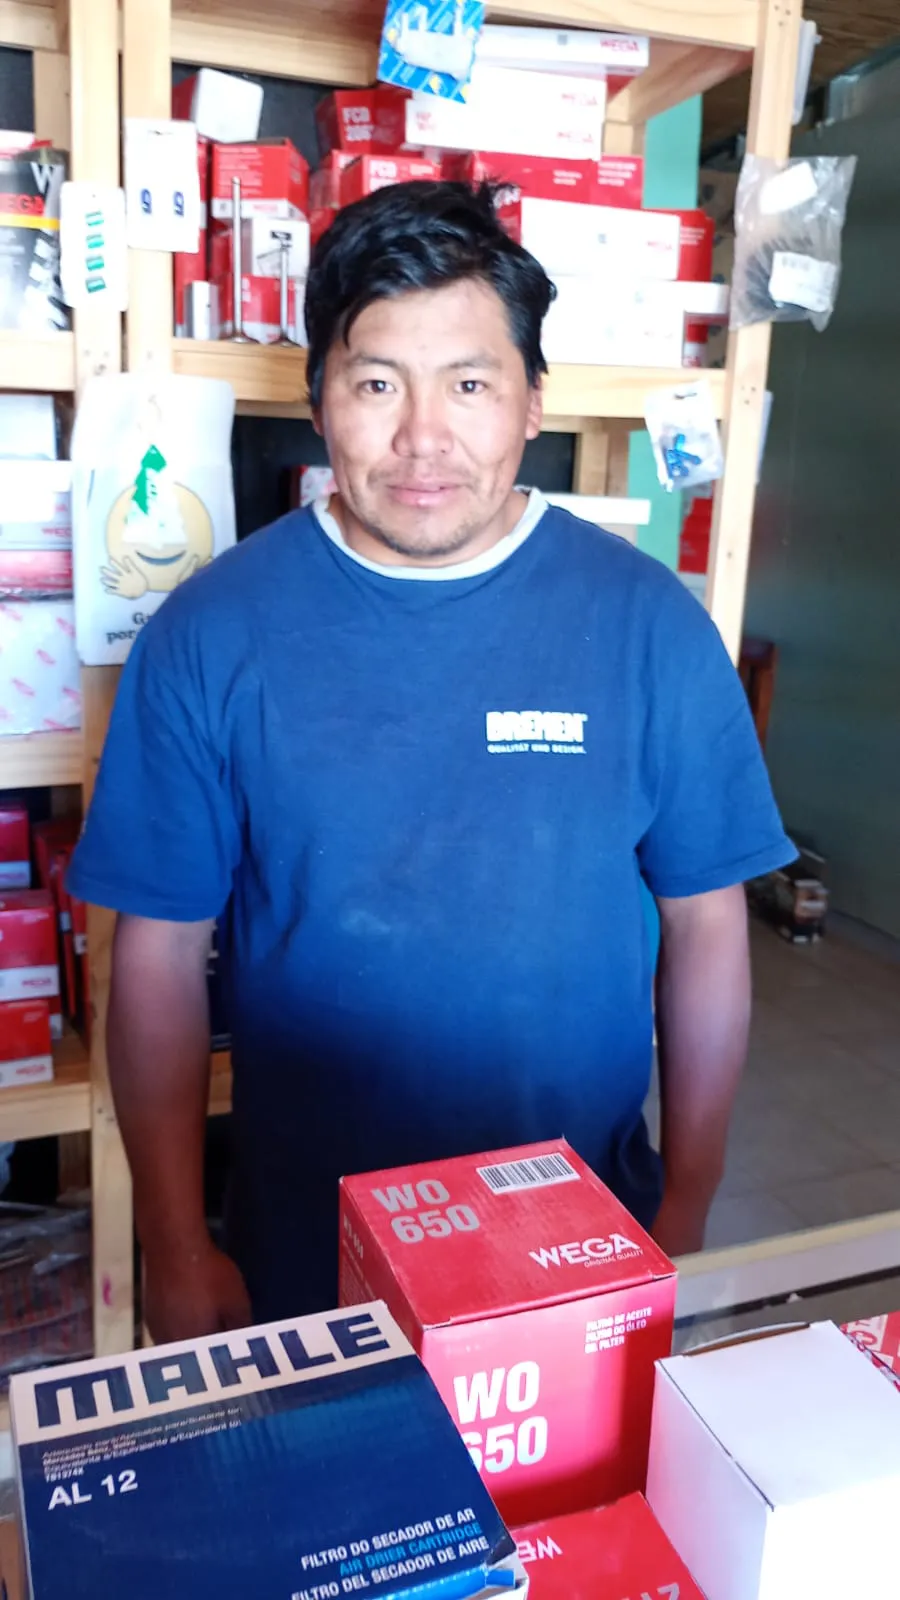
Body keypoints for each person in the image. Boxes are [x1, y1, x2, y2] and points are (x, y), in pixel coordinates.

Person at [69, 181, 794, 1342]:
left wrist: (691, 1207)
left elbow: (707, 925)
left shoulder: (649, 625)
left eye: (468, 383)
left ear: (532, 402)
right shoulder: (209, 635)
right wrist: (175, 1238)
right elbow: (155, 954)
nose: (423, 438)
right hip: (307, 1253)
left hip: (583, 1238)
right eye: (376, 384)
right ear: (317, 401)